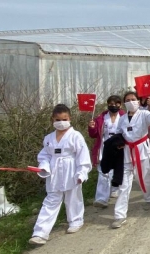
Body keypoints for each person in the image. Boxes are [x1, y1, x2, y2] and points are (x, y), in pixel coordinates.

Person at [29, 104, 91, 245]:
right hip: (54, 172)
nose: (61, 122)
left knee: (73, 197)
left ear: (70, 118)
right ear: (52, 119)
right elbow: (44, 156)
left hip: (71, 169)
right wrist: (43, 167)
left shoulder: (76, 136)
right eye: (58, 119)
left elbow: (83, 156)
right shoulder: (49, 138)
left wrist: (82, 173)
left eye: (64, 119)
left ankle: (75, 220)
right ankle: (40, 233)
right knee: (51, 200)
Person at [111, 92, 150, 229]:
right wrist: (117, 142)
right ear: (124, 102)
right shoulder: (122, 118)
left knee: (146, 177)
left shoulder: (144, 114)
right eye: (128, 100)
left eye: (133, 99)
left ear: (138, 101)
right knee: (124, 184)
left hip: (141, 149)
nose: (131, 102)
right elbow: (118, 132)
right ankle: (120, 215)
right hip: (127, 152)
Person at [88, 95, 126, 208]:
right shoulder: (101, 118)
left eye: (116, 103)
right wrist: (92, 127)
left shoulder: (124, 116)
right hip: (105, 146)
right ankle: (101, 198)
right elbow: (93, 135)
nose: (113, 106)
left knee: (119, 169)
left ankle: (115, 189)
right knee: (104, 171)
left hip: (120, 146)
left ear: (120, 105)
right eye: (110, 103)